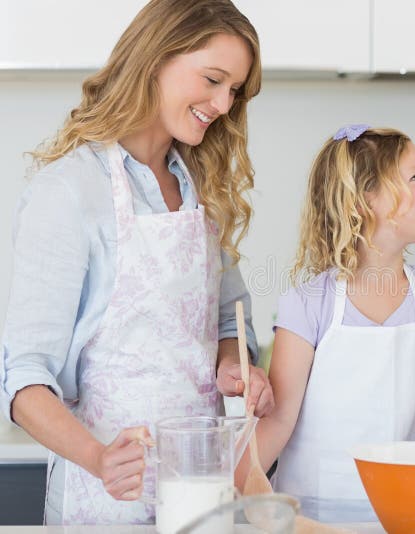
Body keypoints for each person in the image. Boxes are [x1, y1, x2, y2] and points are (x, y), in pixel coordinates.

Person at [0, 0, 273, 525]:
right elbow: (22, 378)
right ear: (156, 58)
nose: (222, 103)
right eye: (213, 79)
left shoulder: (202, 193)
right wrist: (102, 460)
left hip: (203, 497)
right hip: (105, 500)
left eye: (234, 90)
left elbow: (227, 326)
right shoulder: (69, 193)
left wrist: (237, 367)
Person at [237, 125, 415, 522]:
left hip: (407, 512)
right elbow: (279, 417)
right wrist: (226, 489)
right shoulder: (309, 303)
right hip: (312, 515)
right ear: (365, 200)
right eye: (414, 178)